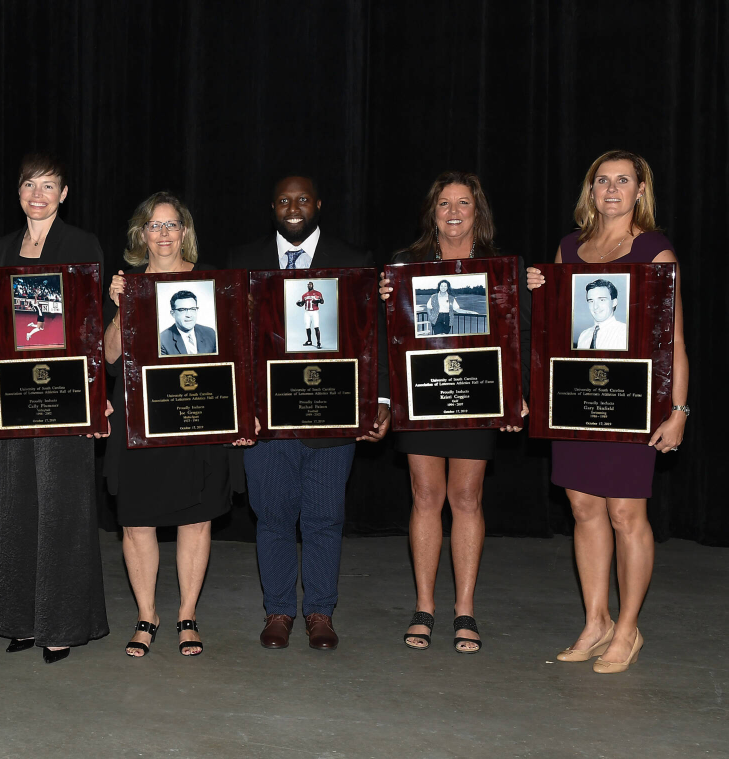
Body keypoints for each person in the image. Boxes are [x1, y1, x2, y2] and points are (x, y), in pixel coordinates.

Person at [526, 150, 688, 673]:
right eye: (602, 180)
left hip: (632, 407)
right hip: (574, 401)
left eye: (623, 180)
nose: (612, 189)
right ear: (590, 190)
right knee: (583, 510)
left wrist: (679, 409)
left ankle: (627, 628)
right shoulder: (569, 247)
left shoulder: (657, 252)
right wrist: (538, 292)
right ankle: (595, 622)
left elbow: (675, 341)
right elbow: (552, 335)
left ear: (641, 189)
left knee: (625, 515)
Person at [226, 175, 390, 651]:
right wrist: (240, 405)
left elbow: (373, 334)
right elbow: (234, 340)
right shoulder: (242, 260)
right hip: (266, 420)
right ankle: (277, 610)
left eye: (302, 199)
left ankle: (321, 611)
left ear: (318, 203)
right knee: (273, 516)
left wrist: (379, 401)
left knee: (324, 517)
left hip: (331, 415)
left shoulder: (354, 260)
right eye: (283, 200)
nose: (293, 207)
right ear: (271, 206)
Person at [379, 171, 529, 654]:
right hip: (423, 396)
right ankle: (425, 607)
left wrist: (515, 393)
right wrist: (384, 301)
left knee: (466, 499)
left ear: (477, 212)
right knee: (425, 496)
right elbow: (386, 337)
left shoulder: (500, 267)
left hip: (477, 393)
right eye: (445, 204)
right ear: (433, 212)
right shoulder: (406, 265)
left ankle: (465, 609)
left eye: (463, 203)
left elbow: (519, 333)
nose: (454, 212)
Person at [103, 192, 251, 657]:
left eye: (171, 225)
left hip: (197, 419)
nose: (163, 234)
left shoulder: (212, 286)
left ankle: (187, 615)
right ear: (140, 234)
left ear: (184, 232)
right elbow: (108, 357)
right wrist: (120, 306)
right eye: (154, 225)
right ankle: (148, 616)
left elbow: (235, 357)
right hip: (140, 420)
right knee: (137, 522)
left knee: (197, 517)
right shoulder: (129, 285)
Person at [0, 153, 110, 664]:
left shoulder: (82, 244)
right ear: (18, 192)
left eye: (49, 186)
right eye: (29, 184)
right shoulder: (2, 247)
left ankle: (61, 624)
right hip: (16, 395)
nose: (37, 194)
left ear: (64, 194)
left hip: (67, 396)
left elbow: (94, 327)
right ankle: (20, 619)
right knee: (18, 505)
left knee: (64, 509)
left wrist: (97, 397)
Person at [158, 289, 217, 355]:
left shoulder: (210, 333)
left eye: (192, 309)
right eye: (182, 310)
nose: (189, 315)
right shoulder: (162, 340)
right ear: (173, 313)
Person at [575, 279, 627, 349]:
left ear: (614, 302)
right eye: (591, 301)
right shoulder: (584, 336)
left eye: (602, 300)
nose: (595, 306)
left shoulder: (625, 333)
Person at [296, 281, 324, 347]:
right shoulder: (304, 295)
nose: (309, 286)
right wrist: (298, 304)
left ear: (313, 285)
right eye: (308, 285)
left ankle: (318, 342)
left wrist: (318, 301)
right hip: (307, 312)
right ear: (307, 286)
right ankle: (309, 341)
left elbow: (322, 302)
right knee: (307, 327)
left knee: (316, 327)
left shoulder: (318, 293)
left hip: (314, 312)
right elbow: (302, 304)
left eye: (311, 284)